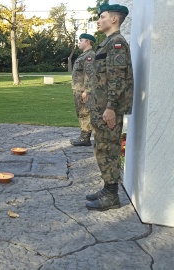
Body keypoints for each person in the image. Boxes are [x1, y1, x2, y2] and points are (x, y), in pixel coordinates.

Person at [85, 3, 133, 211]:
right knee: (102, 148)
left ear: (114, 19)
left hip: (108, 109)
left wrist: (111, 107)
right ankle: (107, 188)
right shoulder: (107, 43)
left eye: (102, 16)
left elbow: (117, 78)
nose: (99, 20)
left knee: (110, 150)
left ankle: (112, 195)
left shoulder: (117, 44)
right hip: (101, 107)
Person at [70, 34, 96, 147]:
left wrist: (87, 91)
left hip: (83, 91)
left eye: (81, 40)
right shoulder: (84, 55)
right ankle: (83, 136)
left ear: (88, 42)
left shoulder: (90, 56)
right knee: (81, 113)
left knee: (85, 113)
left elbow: (90, 75)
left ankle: (85, 138)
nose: (79, 43)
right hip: (78, 90)